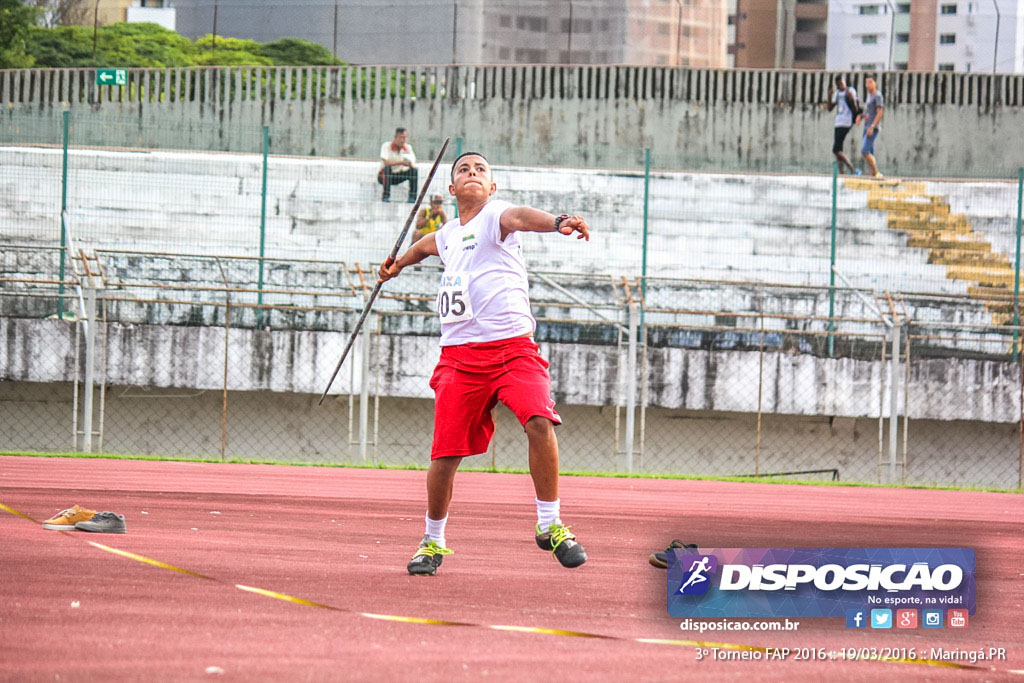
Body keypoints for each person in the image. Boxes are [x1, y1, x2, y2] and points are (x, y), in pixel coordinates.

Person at [377, 152, 591, 576]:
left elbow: (522, 217)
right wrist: (398, 265)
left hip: (512, 349)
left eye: (480, 170)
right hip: (459, 357)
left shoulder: (497, 215)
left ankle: (550, 525)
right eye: (463, 170)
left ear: (491, 187)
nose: (472, 173)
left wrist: (559, 221)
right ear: (452, 189)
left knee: (539, 422)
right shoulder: (449, 234)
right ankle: (432, 541)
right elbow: (424, 245)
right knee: (445, 454)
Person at [826, 75, 859, 174]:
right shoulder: (837, 93)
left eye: (842, 83)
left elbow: (855, 109)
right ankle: (841, 172)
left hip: (846, 122)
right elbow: (830, 108)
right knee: (839, 150)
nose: (841, 85)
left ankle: (852, 169)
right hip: (838, 122)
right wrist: (829, 96)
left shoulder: (850, 91)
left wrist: (852, 98)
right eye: (839, 84)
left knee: (836, 149)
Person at [378, 127, 418, 203]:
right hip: (385, 176)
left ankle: (412, 198)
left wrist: (409, 164)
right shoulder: (386, 146)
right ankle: (386, 196)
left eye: (404, 138)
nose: (402, 140)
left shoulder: (408, 148)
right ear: (395, 137)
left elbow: (413, 162)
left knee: (414, 171)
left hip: (398, 175)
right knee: (387, 169)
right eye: (400, 138)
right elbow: (386, 162)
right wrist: (401, 162)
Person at [861, 76, 885, 179]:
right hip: (866, 127)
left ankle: (876, 173)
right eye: (866, 82)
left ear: (875, 83)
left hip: (872, 128)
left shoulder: (877, 96)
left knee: (865, 150)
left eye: (870, 82)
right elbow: (869, 112)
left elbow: (879, 113)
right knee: (870, 152)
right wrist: (860, 116)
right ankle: (873, 174)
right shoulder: (869, 96)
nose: (868, 85)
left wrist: (872, 127)